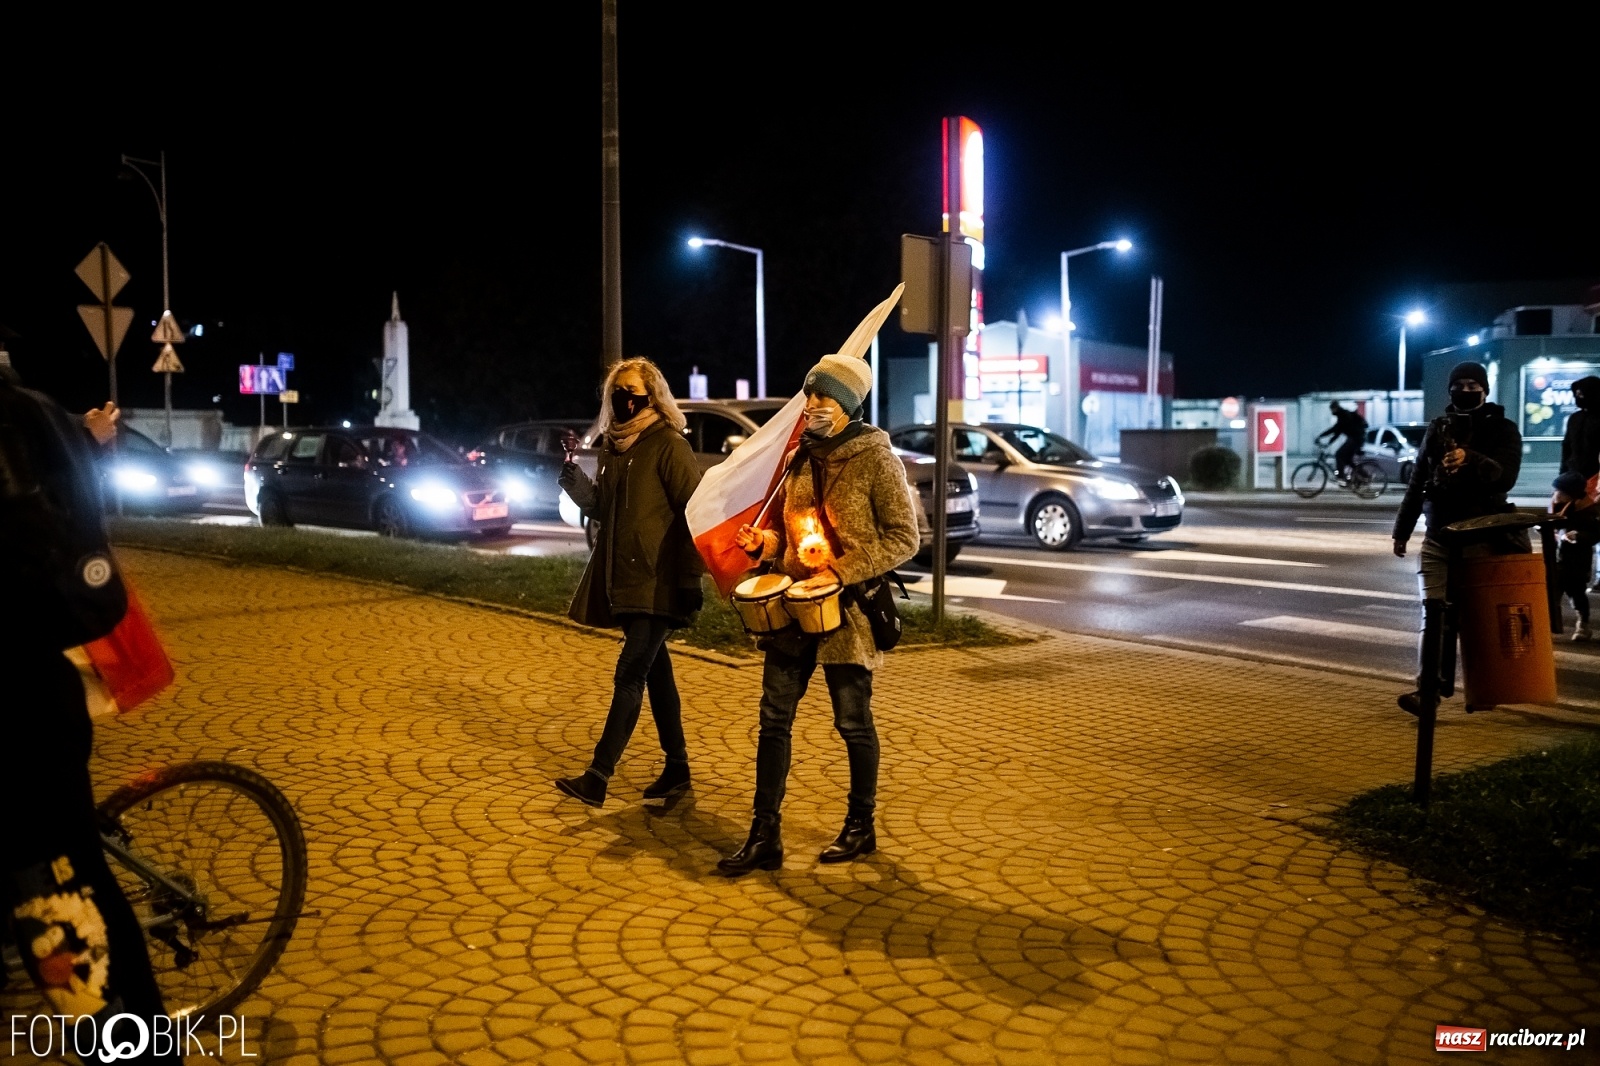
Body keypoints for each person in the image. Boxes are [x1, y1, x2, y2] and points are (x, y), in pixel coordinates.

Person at [0, 367, 180, 1061]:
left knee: (61, 900)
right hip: (30, 688)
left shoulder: (14, 420)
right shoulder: (35, 414)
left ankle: (134, 1053)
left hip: (17, 704)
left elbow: (29, 553)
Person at [717, 348, 919, 875]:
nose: (811, 404)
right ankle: (765, 836)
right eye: (809, 393)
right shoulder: (799, 459)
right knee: (773, 718)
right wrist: (764, 544)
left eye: (822, 394)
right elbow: (789, 535)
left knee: (852, 722)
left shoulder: (877, 459)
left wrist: (844, 570)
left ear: (848, 403)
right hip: (793, 606)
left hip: (847, 611)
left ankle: (861, 826)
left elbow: (905, 537)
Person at [553, 358, 704, 808]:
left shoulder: (667, 445)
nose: (624, 399)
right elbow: (603, 507)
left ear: (652, 395)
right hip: (624, 579)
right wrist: (574, 481)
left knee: (630, 672)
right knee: (657, 676)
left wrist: (690, 578)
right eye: (617, 391)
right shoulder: (614, 448)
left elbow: (694, 514)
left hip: (660, 580)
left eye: (632, 390)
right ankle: (677, 769)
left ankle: (598, 776)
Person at [1392, 361, 1526, 715]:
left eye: (1472, 384)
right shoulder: (1438, 429)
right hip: (1438, 536)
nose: (1465, 390)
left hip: (1481, 538)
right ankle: (1428, 694)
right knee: (1433, 616)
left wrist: (1471, 458)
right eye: (1459, 384)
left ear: (1485, 390)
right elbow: (1417, 481)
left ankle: (1486, 690)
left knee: (1479, 619)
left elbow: (1505, 477)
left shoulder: (1503, 429)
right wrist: (1402, 530)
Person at [1550, 471, 1600, 641]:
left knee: (1577, 595)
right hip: (1557, 561)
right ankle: (1549, 626)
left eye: (1559, 492)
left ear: (1570, 495)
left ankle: (1583, 625)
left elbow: (1594, 534)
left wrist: (1578, 536)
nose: (1555, 495)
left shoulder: (1587, 512)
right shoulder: (1558, 507)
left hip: (1577, 564)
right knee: (1552, 594)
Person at [1559, 375, 1600, 479]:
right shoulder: (1575, 418)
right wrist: (1563, 473)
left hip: (1595, 475)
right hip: (1574, 473)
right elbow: (1567, 446)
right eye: (1576, 394)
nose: (1577, 397)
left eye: (1581, 394)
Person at [1316, 401, 1368, 480]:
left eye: (1332, 409)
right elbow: (1337, 431)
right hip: (1356, 438)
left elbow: (1336, 430)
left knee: (1338, 454)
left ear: (1335, 408)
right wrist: (1327, 440)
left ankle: (1341, 477)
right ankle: (1364, 475)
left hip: (1356, 439)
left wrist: (1321, 437)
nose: (1331, 412)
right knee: (1347, 460)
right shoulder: (1342, 415)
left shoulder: (1343, 415)